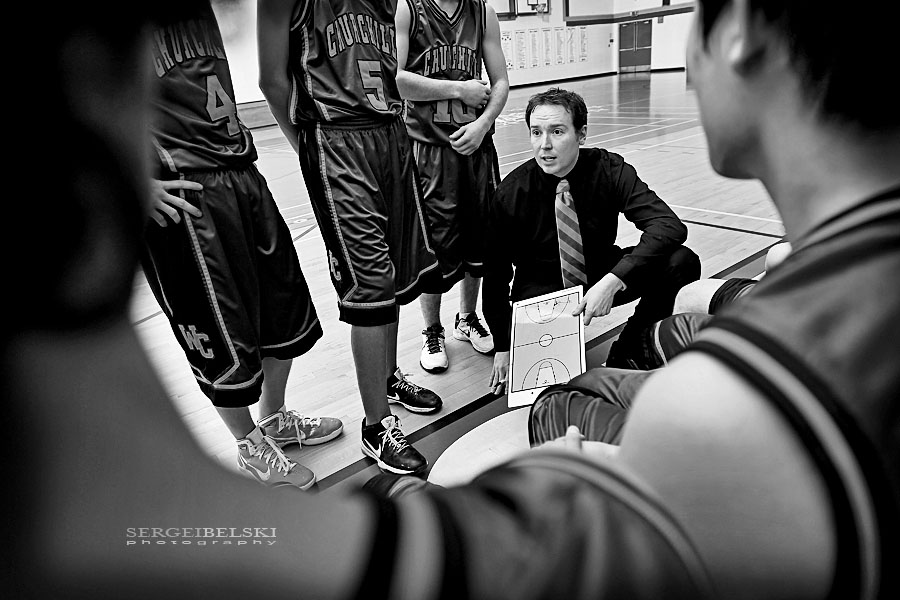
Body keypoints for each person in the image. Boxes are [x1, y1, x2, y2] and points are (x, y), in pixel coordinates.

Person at [15, 1, 898, 598]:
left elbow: (134, 528)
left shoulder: (725, 423)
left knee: (485, 452)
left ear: (738, 31)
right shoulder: (829, 282)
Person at [141, 0, 343, 490]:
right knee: (219, 333)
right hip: (183, 194)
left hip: (240, 172)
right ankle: (249, 445)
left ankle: (273, 419)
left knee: (284, 309)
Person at [257, 0, 443, 476]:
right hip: (336, 139)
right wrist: (308, 148)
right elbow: (272, 81)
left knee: (399, 277)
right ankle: (376, 426)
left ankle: (386, 378)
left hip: (390, 133)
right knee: (370, 284)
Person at [482, 87, 701, 392]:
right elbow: (494, 277)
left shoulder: (609, 169)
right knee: (555, 391)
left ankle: (631, 348)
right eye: (536, 132)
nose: (545, 145)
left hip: (600, 273)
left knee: (682, 261)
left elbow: (668, 226)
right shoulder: (510, 194)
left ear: (581, 134)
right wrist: (504, 345)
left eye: (557, 131)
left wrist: (613, 281)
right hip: (541, 291)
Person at [395, 0, 509, 374]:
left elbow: (501, 82)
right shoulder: (407, 9)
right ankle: (431, 329)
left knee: (482, 238)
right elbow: (396, 79)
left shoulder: (482, 11)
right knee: (435, 243)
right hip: (428, 151)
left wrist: (483, 124)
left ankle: (467, 317)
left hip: (475, 147)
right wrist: (459, 89)